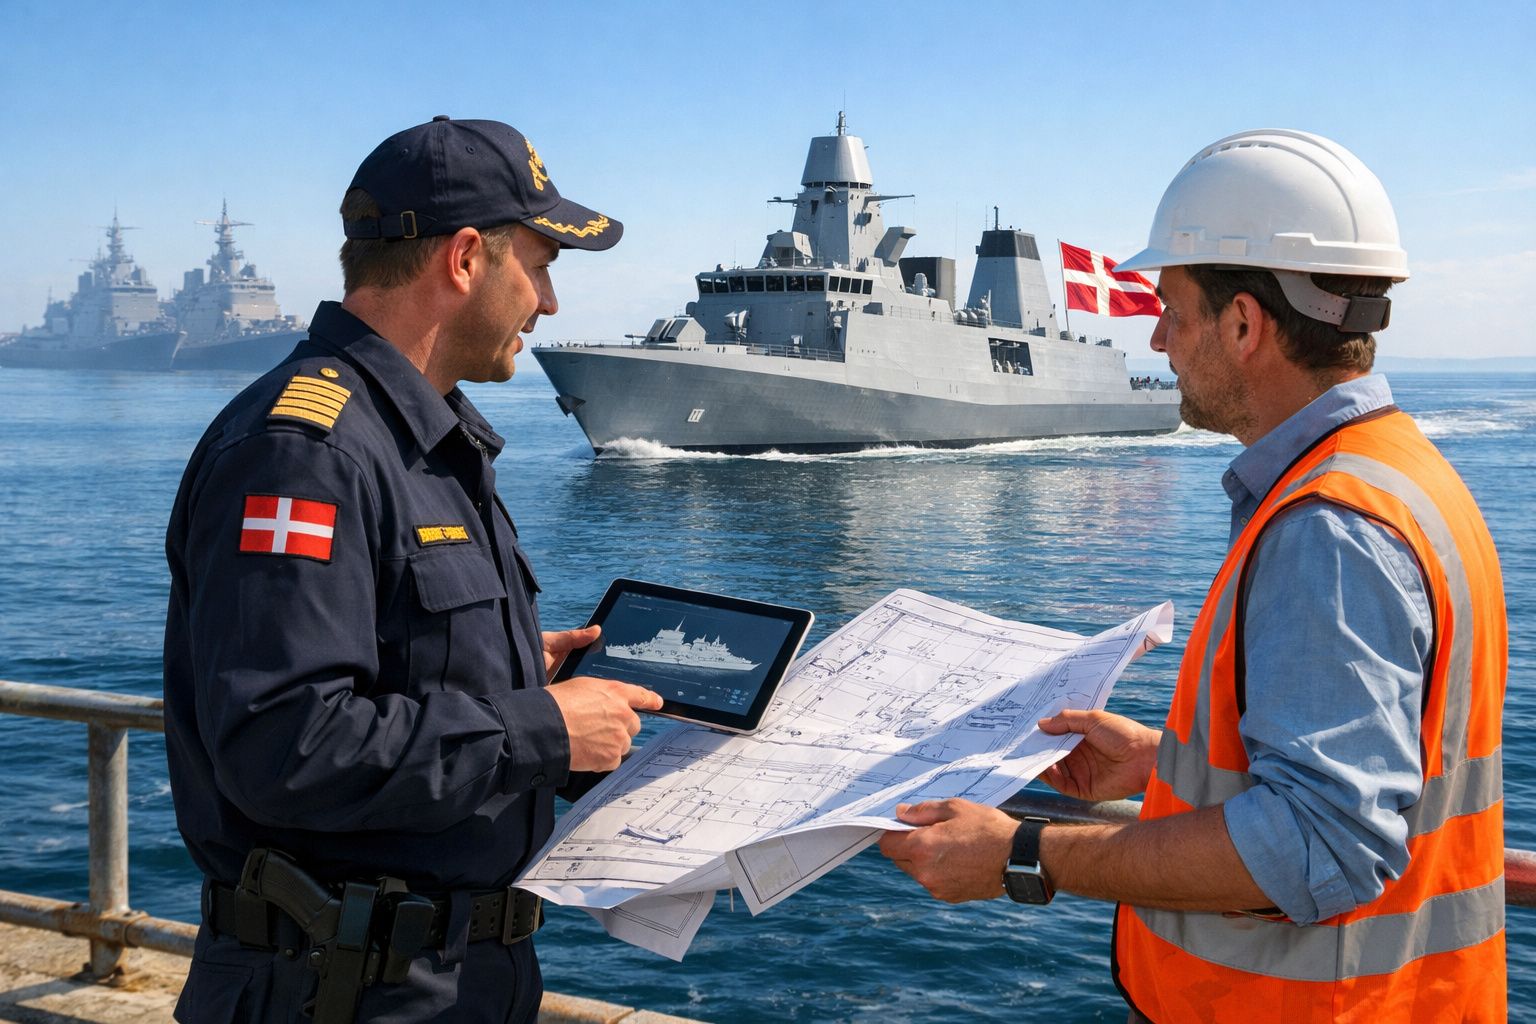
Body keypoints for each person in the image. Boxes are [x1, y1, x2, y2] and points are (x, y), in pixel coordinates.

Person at [880, 129, 1508, 1022]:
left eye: (1171, 305)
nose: (1158, 333)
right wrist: (1163, 764)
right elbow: (1384, 767)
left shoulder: (1328, 526)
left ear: (1245, 323)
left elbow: (1320, 844)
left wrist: (1028, 851)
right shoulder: (1401, 474)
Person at [162, 116, 663, 1023]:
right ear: (466, 258)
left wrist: (514, 676)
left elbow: (387, 664)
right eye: (541, 267)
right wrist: (536, 729)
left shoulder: (417, 438)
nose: (548, 304)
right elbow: (284, 745)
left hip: (439, 982)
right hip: (338, 993)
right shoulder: (305, 451)